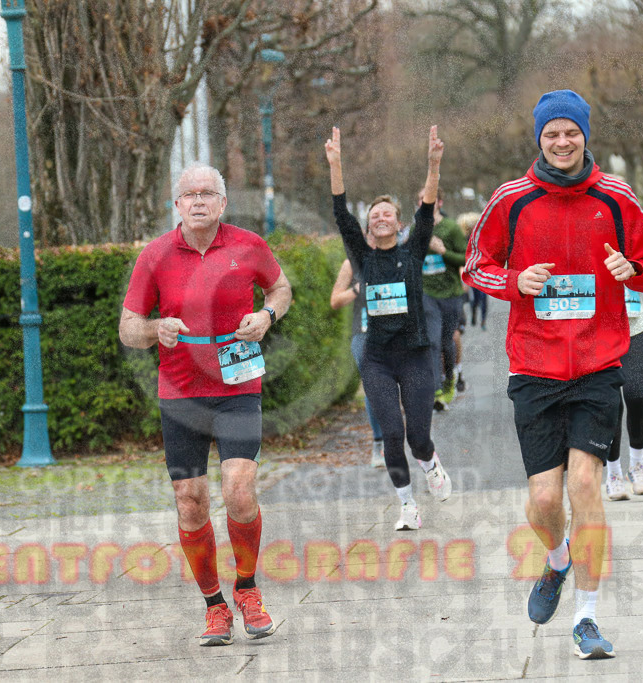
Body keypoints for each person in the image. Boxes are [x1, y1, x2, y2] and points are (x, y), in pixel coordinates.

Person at [463, 89, 643, 660]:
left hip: (599, 363)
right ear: (539, 139)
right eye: (552, 133)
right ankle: (555, 562)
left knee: (583, 485)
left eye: (571, 132)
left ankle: (588, 617)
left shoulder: (617, 197)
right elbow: (478, 264)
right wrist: (514, 281)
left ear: (585, 135)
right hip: (534, 366)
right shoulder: (512, 200)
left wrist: (631, 269)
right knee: (546, 500)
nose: (563, 141)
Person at [119, 162, 292, 647]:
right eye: (188, 194)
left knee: (239, 491)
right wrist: (157, 328)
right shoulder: (154, 256)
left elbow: (282, 288)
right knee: (190, 502)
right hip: (180, 395)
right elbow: (128, 328)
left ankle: (249, 589)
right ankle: (215, 606)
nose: (198, 201)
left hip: (237, 386)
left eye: (207, 193)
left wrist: (267, 314)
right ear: (176, 205)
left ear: (222, 203)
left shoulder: (248, 245)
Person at [325, 124, 453, 531]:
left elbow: (427, 207)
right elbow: (340, 212)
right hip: (378, 359)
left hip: (415, 356)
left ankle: (430, 463)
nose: (381, 218)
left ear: (399, 225)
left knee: (417, 435)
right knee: (392, 433)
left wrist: (433, 164)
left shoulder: (413, 250)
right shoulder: (361, 258)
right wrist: (336, 164)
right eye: (374, 214)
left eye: (388, 214)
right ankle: (406, 504)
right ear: (368, 227)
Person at [330, 230, 385, 468]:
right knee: (373, 387)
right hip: (363, 332)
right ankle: (379, 443)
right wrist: (356, 290)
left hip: (393, 333)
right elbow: (335, 300)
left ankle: (394, 436)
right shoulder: (350, 264)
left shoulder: (397, 259)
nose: (373, 242)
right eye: (369, 237)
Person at [422, 190, 469, 410]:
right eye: (422, 200)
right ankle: (435, 388)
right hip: (426, 294)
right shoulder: (417, 228)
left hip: (450, 293)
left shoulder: (450, 228)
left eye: (430, 199)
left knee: (446, 342)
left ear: (439, 202)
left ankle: (449, 379)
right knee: (431, 341)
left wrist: (443, 252)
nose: (426, 203)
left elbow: (466, 258)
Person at [605, 289, 643, 500]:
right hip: (599, 326)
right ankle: (613, 473)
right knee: (611, 401)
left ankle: (637, 465)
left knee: (637, 393)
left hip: (635, 323)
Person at [457, 213, 487, 330]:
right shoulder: (464, 239)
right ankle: (474, 314)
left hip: (483, 270)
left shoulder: (482, 237)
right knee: (475, 298)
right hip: (471, 272)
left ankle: (483, 320)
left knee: (484, 297)